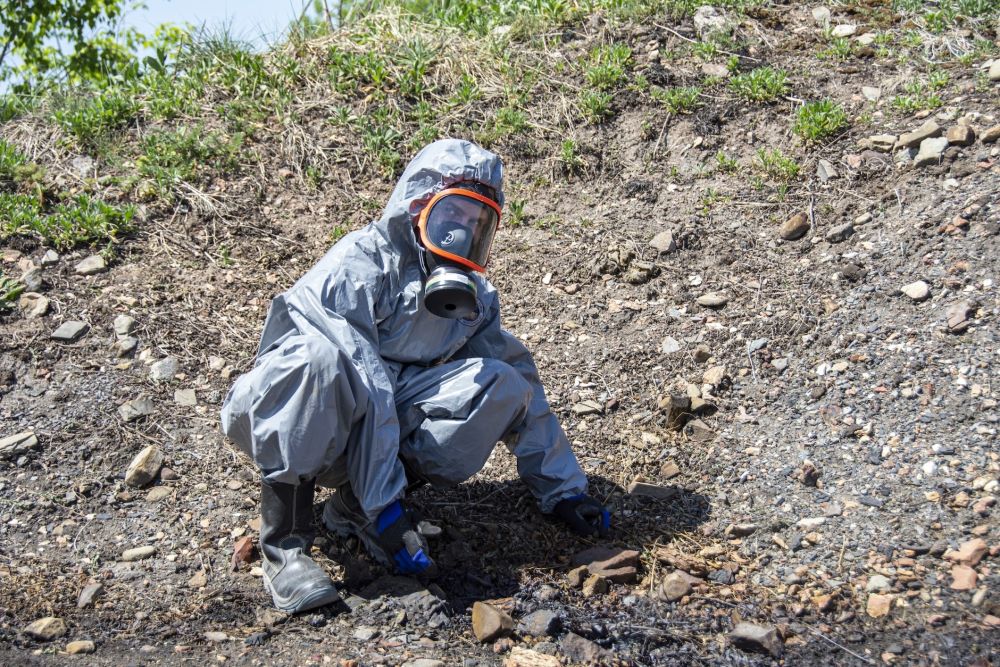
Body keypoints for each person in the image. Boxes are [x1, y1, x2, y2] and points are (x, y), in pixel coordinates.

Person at [220, 139, 610, 614]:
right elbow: (367, 384)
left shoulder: (473, 299)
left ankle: (350, 509)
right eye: (455, 216)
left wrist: (564, 490)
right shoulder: (359, 264)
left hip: (370, 432)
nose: (463, 234)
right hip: (294, 415)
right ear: (420, 205)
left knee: (501, 381)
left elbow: (521, 384)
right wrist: (387, 509)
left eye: (477, 224)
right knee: (319, 362)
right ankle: (285, 548)